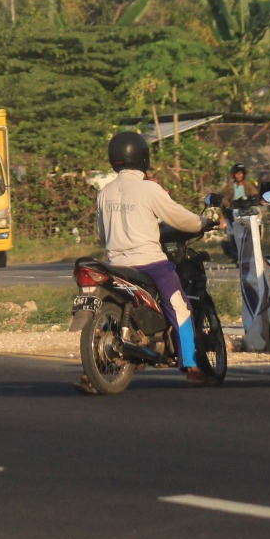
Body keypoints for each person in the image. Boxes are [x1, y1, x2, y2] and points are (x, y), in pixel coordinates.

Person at [82, 131, 215, 391]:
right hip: (151, 264)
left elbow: (102, 233)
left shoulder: (103, 193)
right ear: (143, 157)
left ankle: (94, 366)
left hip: (116, 265)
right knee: (180, 308)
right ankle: (192, 366)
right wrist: (203, 222)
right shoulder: (149, 189)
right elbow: (179, 218)